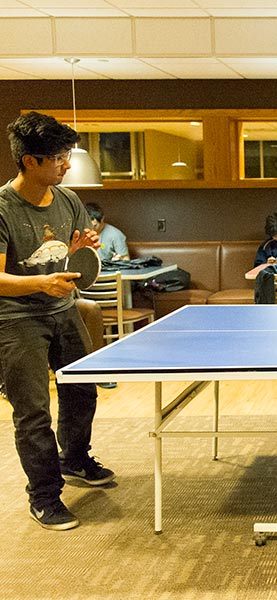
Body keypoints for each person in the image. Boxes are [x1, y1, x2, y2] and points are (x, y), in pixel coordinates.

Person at [0, 111, 116, 531]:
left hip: (62, 310)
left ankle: (75, 459)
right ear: (30, 161)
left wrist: (81, 247)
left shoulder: (68, 199)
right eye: (60, 157)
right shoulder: (2, 208)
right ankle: (45, 496)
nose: (68, 164)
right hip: (15, 319)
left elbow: (70, 254)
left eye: (68, 155)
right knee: (33, 412)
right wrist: (40, 281)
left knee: (82, 391)